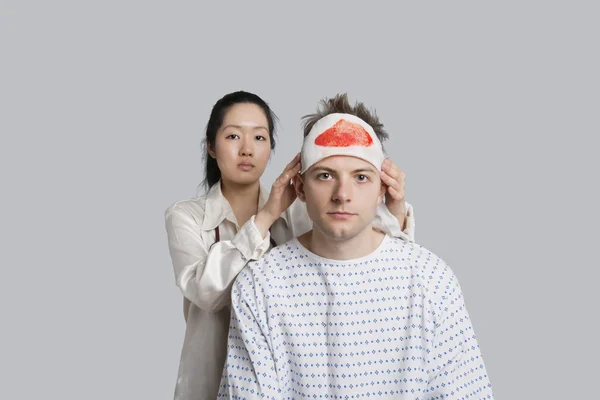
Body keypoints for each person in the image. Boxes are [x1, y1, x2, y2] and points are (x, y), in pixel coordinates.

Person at [218, 94, 494, 399]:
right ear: (300, 188)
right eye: (325, 176)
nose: (342, 194)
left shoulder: (431, 281)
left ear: (382, 189)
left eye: (361, 177)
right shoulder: (259, 287)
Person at [164, 91, 416, 400]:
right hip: (209, 378)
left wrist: (396, 208)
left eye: (259, 137)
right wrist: (267, 215)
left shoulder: (301, 210)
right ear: (211, 147)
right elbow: (205, 293)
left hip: (288, 379)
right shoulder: (186, 216)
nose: (247, 150)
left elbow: (362, 255)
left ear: (271, 148)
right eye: (233, 136)